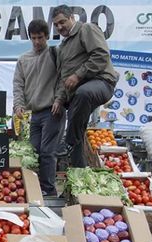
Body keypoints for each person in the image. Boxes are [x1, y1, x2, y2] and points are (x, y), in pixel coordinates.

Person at [51, 5, 119, 167]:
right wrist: (59, 99)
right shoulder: (64, 47)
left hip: (101, 82)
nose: (60, 27)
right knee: (78, 132)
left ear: (72, 18)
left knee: (83, 93)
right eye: (56, 25)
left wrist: (78, 74)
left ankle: (69, 141)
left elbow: (101, 54)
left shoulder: (87, 29)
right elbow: (63, 77)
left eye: (62, 22)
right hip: (78, 95)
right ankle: (77, 178)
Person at [13, 19, 64, 197]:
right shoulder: (23, 59)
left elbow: (63, 79)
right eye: (33, 38)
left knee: (47, 152)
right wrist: (18, 104)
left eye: (40, 38)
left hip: (52, 111)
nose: (36, 42)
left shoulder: (55, 54)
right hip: (33, 113)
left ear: (47, 36)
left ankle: (48, 191)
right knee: (32, 151)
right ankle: (33, 190)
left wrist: (60, 99)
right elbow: (18, 84)